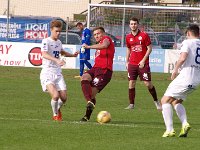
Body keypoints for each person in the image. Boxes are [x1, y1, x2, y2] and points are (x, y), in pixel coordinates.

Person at [161, 24, 200, 137]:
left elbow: (183, 58)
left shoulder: (188, 42)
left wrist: (175, 70)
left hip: (185, 77)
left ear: (188, 33)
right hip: (196, 80)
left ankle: (170, 130)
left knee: (164, 101)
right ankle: (184, 124)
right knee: (175, 101)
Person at [40, 20, 78, 121]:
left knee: (64, 98)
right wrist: (56, 60)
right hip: (47, 72)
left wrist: (72, 55)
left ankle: (57, 108)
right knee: (56, 96)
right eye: (56, 31)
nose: (58, 33)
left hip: (57, 73)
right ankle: (55, 114)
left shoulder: (59, 42)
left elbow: (62, 52)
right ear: (51, 30)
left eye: (60, 31)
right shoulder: (46, 41)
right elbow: (44, 54)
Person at [125, 17, 161, 110]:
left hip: (143, 64)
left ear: (138, 25)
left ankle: (156, 101)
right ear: (129, 25)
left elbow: (149, 48)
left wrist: (143, 60)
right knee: (131, 83)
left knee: (148, 84)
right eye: (132, 24)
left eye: (135, 24)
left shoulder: (144, 35)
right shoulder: (128, 37)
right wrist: (127, 61)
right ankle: (131, 104)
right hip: (132, 64)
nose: (133, 25)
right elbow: (128, 49)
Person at [80, 26, 115, 121]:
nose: (96, 36)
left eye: (98, 33)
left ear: (103, 33)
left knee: (91, 95)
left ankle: (87, 116)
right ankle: (89, 102)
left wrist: (89, 46)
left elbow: (105, 45)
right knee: (84, 77)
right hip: (95, 68)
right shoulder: (98, 44)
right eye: (95, 35)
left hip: (104, 71)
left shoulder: (106, 39)